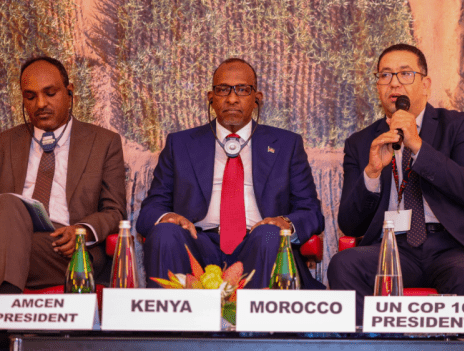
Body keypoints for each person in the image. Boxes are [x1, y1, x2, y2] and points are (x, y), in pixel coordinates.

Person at [328, 44, 464, 324]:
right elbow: (350, 225)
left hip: (452, 246)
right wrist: (372, 172)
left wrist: (418, 147)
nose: (394, 82)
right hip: (392, 249)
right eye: (385, 75)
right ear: (378, 86)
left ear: (425, 84)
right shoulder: (360, 143)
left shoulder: (459, 125)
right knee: (344, 265)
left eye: (405, 74)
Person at [136, 58, 325, 289]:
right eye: (223, 89)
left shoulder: (287, 144)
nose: (232, 98)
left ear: (257, 98)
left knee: (269, 234)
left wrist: (283, 222)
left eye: (243, 90)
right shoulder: (180, 144)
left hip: (258, 244)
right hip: (198, 243)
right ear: (211, 97)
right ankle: (178, 325)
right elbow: (150, 210)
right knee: (165, 233)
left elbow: (311, 212)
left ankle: (255, 326)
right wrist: (166, 218)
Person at [0, 57, 126, 293]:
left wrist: (82, 230)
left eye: (50, 93)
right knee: (8, 204)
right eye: (30, 96)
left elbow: (115, 211)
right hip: (11, 238)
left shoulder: (103, 142)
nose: (40, 104)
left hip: (69, 249)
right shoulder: (5, 143)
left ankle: (5, 312)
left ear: (70, 93)